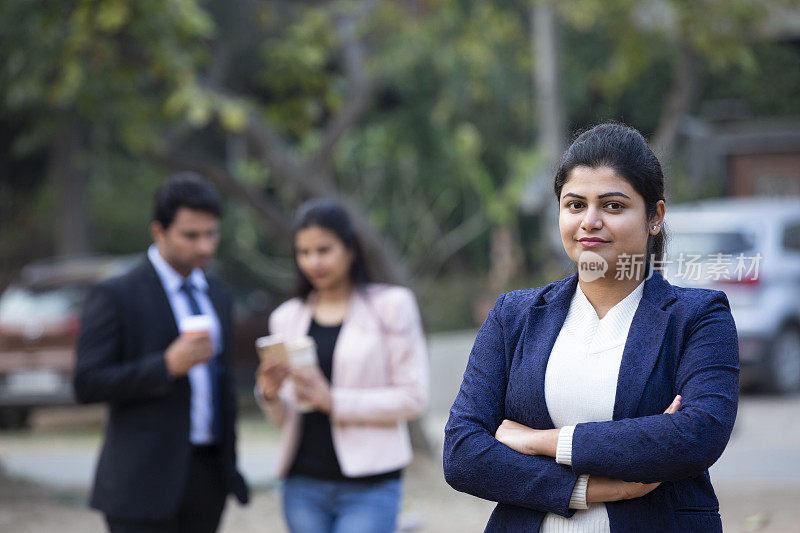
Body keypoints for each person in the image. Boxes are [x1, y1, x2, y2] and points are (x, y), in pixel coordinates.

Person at [443, 123, 739, 532]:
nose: (590, 221)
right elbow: (462, 453)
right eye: (575, 205)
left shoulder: (697, 316)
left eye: (613, 206)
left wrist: (542, 441)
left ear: (655, 216)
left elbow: (696, 435)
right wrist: (589, 489)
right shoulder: (514, 315)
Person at [74, 173, 249, 532]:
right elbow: (87, 382)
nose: (205, 247)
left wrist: (228, 469)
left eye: (211, 233)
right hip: (141, 482)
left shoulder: (217, 293)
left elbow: (223, 385)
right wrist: (166, 366)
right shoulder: (116, 294)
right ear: (159, 232)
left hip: (207, 476)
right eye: (191, 235)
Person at [255, 198, 429, 533]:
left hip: (371, 483)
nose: (313, 261)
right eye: (303, 252)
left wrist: (334, 400)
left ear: (350, 248)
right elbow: (283, 418)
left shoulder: (392, 305)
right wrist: (270, 395)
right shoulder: (286, 317)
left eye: (324, 249)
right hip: (302, 482)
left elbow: (413, 398)